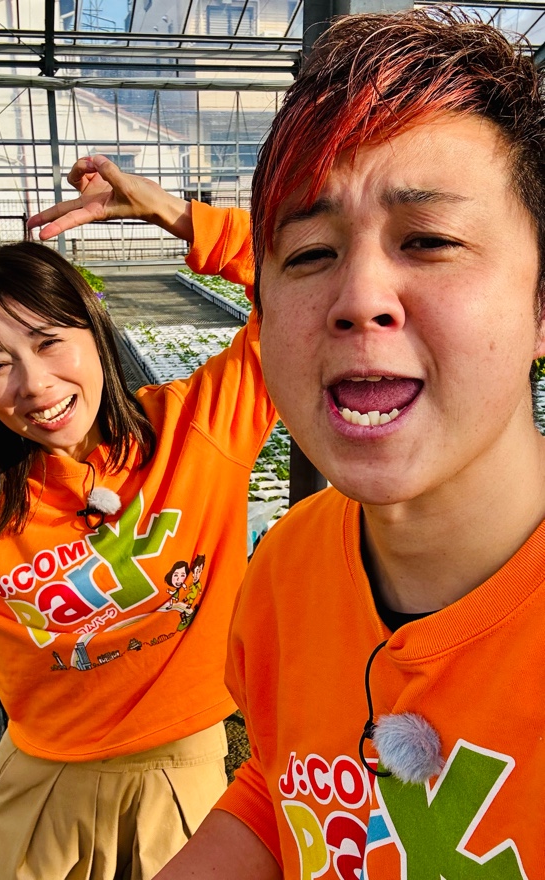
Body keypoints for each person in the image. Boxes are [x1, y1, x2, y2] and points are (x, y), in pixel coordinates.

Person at [135, 8, 544, 879]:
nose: (360, 298)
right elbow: (280, 785)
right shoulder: (284, 572)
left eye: (428, 241)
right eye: (310, 253)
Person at [0, 164, 275, 879]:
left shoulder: (196, 429)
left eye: (49, 342)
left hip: (183, 766)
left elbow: (298, 286)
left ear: (95, 331)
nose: (35, 386)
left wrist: (179, 215)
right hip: (47, 776)